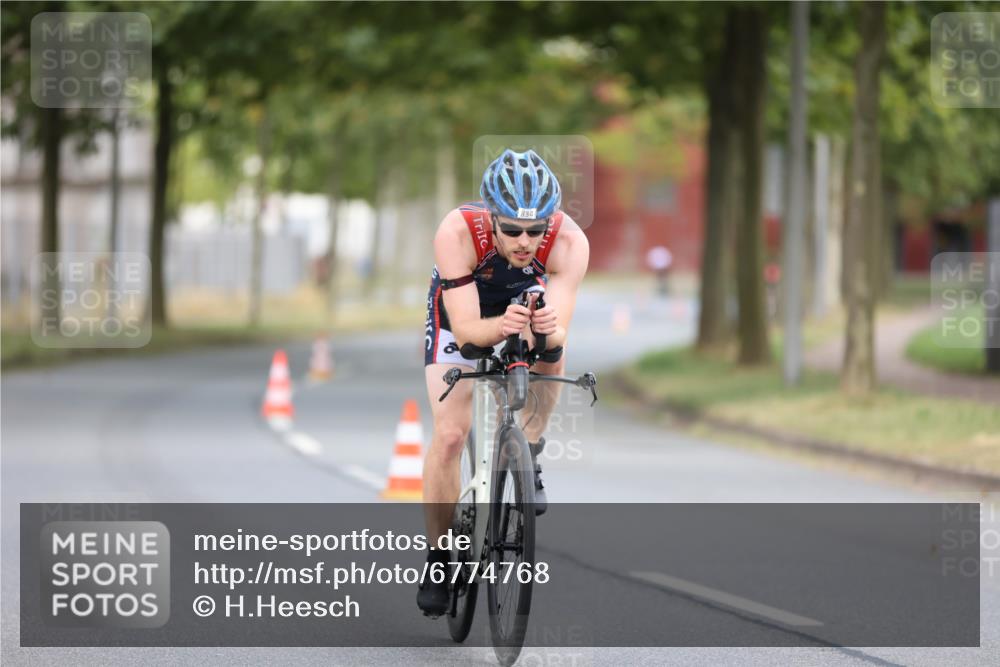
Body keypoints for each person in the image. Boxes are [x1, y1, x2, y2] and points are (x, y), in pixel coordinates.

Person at [417, 148, 590, 616]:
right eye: (511, 229)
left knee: (553, 352)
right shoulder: (457, 231)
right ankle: (438, 559)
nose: (524, 241)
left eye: (536, 231)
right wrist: (500, 328)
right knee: (451, 435)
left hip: (524, 299)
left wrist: (545, 331)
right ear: (491, 218)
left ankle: (528, 448)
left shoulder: (571, 244)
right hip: (464, 310)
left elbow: (557, 336)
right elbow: (471, 333)